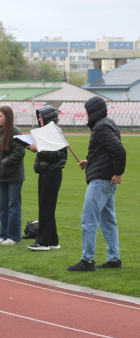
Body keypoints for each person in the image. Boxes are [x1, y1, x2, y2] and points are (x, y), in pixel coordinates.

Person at [68, 97, 126, 272]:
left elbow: (119, 150)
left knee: (88, 220)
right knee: (108, 221)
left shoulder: (100, 128)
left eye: (87, 112)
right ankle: (114, 259)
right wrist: (90, 162)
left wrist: (118, 173)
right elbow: (105, 152)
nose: (85, 115)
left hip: (101, 181)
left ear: (93, 112)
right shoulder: (108, 124)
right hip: (106, 180)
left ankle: (87, 260)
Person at [27, 105, 67, 251]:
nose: (39, 119)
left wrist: (38, 148)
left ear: (48, 118)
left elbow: (56, 155)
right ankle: (53, 241)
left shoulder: (54, 133)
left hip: (52, 172)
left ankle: (42, 242)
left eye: (41, 117)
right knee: (47, 207)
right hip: (47, 171)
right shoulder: (50, 132)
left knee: (46, 206)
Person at [0, 105, 25, 246]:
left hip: (14, 176)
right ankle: (4, 235)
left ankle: (14, 237)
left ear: (8, 117)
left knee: (13, 207)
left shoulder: (16, 131)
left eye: (0, 116)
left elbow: (20, 152)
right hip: (2, 176)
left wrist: (4, 162)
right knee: (2, 207)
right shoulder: (0, 131)